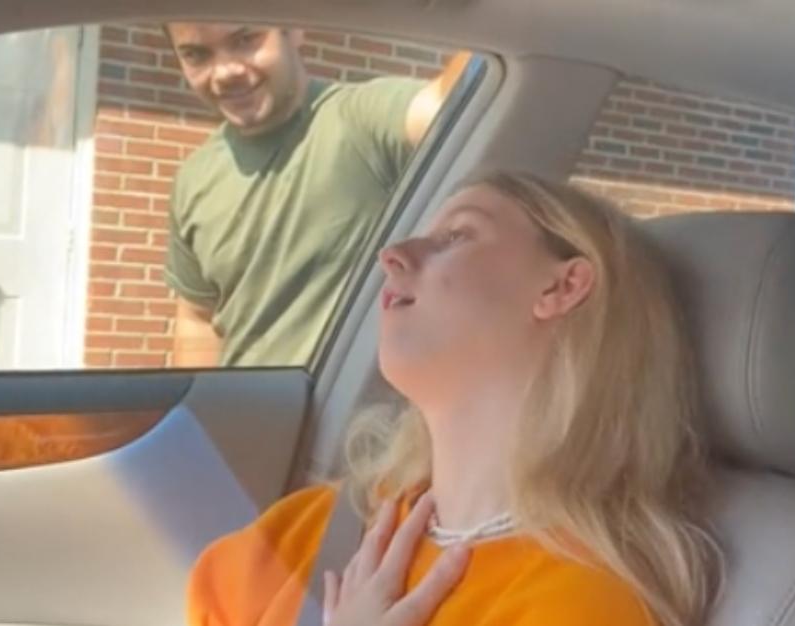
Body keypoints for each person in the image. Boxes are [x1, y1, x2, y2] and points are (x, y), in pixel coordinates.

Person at [186, 172, 722, 626]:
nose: (391, 255)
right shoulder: (317, 526)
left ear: (562, 287)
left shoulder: (584, 602)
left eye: (455, 236)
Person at [162, 22, 472, 367]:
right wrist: (203, 414)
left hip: (357, 417)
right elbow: (197, 317)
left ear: (293, 29)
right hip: (246, 414)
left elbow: (451, 105)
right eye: (196, 54)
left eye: (246, 39)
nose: (225, 72)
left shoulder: (359, 120)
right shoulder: (194, 178)